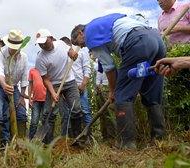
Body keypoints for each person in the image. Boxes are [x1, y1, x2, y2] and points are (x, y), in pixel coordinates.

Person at [71, 13, 166, 149]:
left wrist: (113, 91)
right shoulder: (103, 22)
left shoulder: (90, 35)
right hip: (155, 39)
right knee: (151, 92)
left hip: (137, 42)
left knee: (122, 96)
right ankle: (159, 139)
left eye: (78, 43)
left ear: (80, 33)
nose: (83, 46)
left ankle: (126, 145)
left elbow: (109, 67)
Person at [35, 29, 82, 144]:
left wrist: (72, 54)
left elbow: (70, 51)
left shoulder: (61, 44)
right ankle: (48, 143)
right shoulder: (40, 58)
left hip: (69, 81)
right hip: (54, 84)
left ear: (51, 38)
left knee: (76, 110)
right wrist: (52, 93)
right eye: (40, 43)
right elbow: (45, 79)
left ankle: (77, 139)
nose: (42, 45)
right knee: (48, 113)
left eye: (44, 41)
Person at [0, 29, 28, 148]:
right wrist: (4, 85)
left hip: (15, 87)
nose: (15, 49)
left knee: (21, 114)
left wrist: (22, 96)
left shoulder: (24, 57)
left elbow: (24, 77)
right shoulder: (0, 55)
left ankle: (20, 146)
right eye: (13, 46)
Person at [59, 36, 92, 136]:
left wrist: (83, 84)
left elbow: (87, 69)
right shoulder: (61, 55)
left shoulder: (82, 52)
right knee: (68, 114)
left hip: (80, 86)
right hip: (67, 88)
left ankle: (89, 137)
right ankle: (72, 138)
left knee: (85, 111)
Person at [28, 67, 46, 140]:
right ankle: (30, 140)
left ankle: (46, 141)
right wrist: (29, 99)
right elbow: (30, 85)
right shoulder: (32, 70)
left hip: (47, 100)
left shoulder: (47, 69)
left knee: (45, 120)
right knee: (34, 121)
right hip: (36, 100)